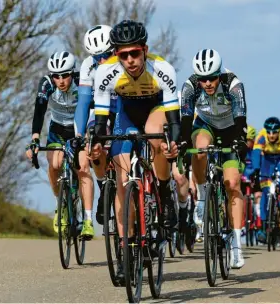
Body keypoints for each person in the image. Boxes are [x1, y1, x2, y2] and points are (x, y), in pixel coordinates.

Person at [89, 20, 182, 278]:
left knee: (157, 139)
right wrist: (97, 146)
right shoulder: (106, 72)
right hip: (126, 114)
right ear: (116, 54)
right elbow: (101, 120)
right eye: (123, 55)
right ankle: (125, 250)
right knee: (121, 179)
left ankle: (163, 190)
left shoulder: (162, 69)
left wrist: (173, 143)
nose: (130, 60)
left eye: (135, 53)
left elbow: (174, 121)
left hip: (156, 108)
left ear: (145, 49)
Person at [179, 48, 248, 269]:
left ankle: (236, 245)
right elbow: (186, 119)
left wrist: (239, 141)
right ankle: (200, 196)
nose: (208, 83)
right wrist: (182, 143)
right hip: (206, 126)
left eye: (212, 78)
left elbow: (240, 117)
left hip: (231, 129)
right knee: (198, 148)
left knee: (232, 184)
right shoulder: (190, 87)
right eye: (203, 79)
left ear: (220, 74)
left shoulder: (233, 85)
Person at [26, 51, 94, 239]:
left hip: (78, 129)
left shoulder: (83, 81)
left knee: (83, 168)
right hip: (57, 129)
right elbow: (39, 110)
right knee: (54, 165)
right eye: (57, 76)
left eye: (65, 75)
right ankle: (61, 206)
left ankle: (88, 220)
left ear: (73, 73)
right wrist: (34, 139)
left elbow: (93, 108)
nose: (61, 80)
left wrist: (91, 135)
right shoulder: (47, 84)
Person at [74, 24, 119, 225]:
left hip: (123, 109)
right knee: (93, 146)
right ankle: (103, 189)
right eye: (96, 56)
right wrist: (78, 136)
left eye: (106, 55)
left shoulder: (125, 62)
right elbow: (83, 103)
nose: (102, 61)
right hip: (100, 110)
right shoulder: (87, 66)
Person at [252, 117, 280, 243]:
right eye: (269, 132)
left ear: (279, 131)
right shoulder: (261, 135)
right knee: (265, 191)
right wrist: (256, 170)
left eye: (274, 132)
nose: (271, 135)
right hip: (268, 159)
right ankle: (264, 226)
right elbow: (256, 153)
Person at [241, 125, 262, 230]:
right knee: (241, 197)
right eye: (246, 140)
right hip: (243, 177)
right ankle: (243, 220)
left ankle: (258, 216)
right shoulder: (241, 150)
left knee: (258, 195)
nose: (248, 142)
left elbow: (260, 166)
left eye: (249, 140)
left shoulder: (257, 151)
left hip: (255, 176)